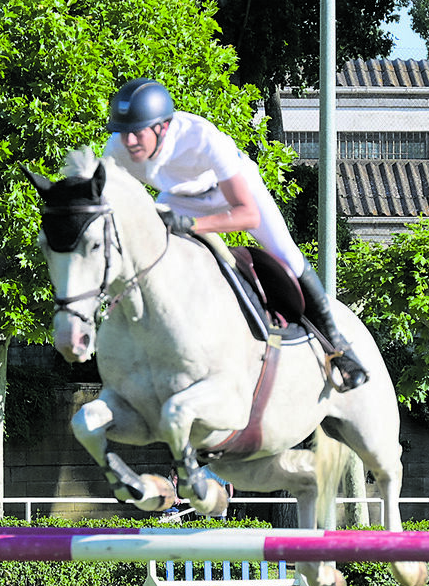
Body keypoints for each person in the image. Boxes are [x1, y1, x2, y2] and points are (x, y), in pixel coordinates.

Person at [103, 77, 369, 391]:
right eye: (123, 132)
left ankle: (339, 350)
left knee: (289, 258)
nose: (129, 141)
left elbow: (246, 214)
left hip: (233, 194)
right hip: (177, 197)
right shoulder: (116, 149)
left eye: (137, 132)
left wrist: (192, 225)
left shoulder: (201, 140)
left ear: (162, 127)